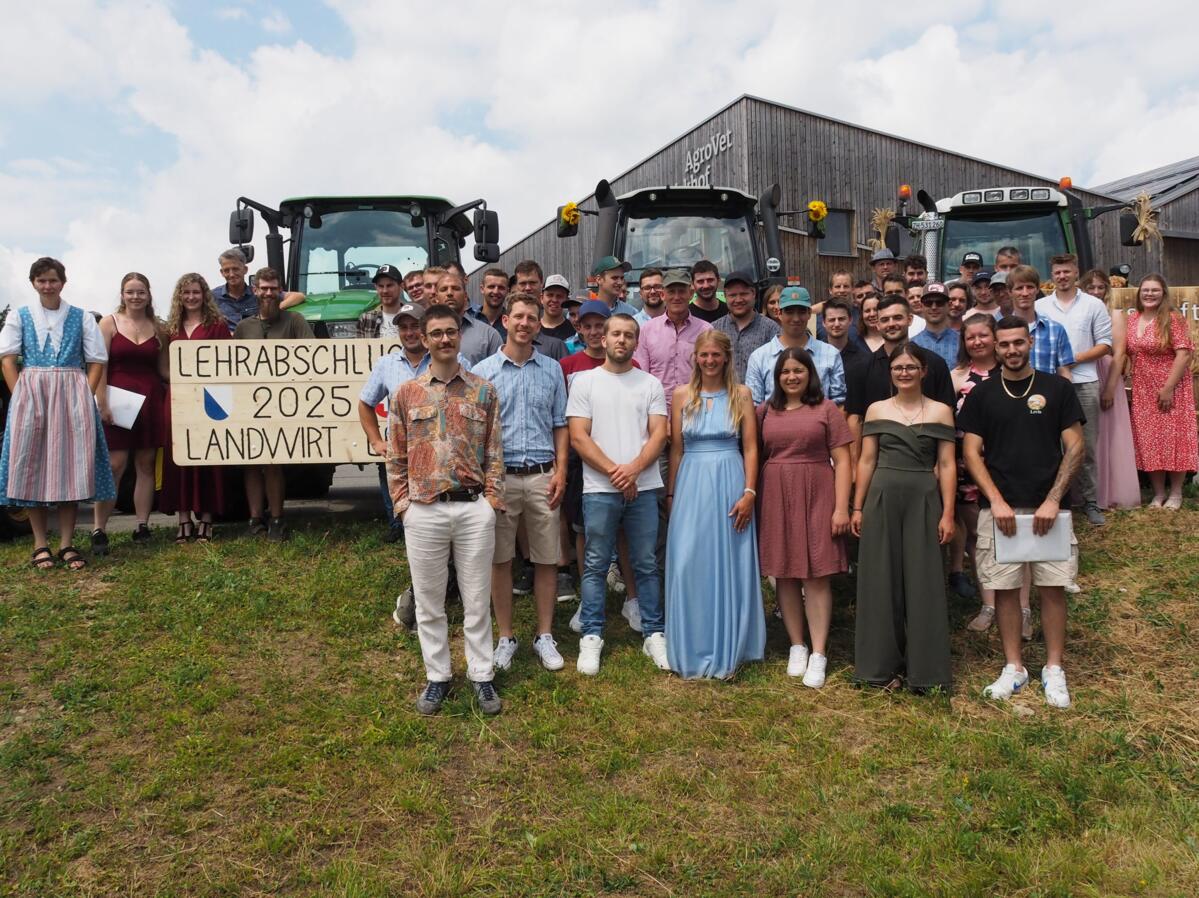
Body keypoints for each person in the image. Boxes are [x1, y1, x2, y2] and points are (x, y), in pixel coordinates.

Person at [960, 317, 1085, 709]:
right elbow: (970, 452)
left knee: (1051, 589)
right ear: (994, 348)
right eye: (1004, 345)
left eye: (1018, 343)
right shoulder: (982, 395)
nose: (1011, 350)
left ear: (1029, 342)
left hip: (1050, 509)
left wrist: (1053, 498)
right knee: (1005, 591)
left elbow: (1076, 446)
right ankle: (1014, 666)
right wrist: (995, 500)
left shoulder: (1057, 389)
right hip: (1000, 511)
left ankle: (1053, 668)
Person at [387, 303, 505, 716]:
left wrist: (491, 501)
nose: (444, 339)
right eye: (435, 332)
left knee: (476, 598)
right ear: (424, 336)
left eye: (450, 331)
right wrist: (403, 505)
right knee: (429, 601)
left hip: (473, 509)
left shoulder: (483, 390)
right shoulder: (406, 394)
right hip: (424, 511)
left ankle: (482, 675)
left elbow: (494, 451)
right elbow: (395, 455)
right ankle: (437, 676)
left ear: (459, 334)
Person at [567, 313, 670, 676]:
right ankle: (592, 636)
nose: (621, 340)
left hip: (643, 488)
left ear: (636, 341)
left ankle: (654, 633)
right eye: (615, 334)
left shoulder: (650, 384)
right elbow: (579, 436)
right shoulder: (585, 382)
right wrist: (617, 472)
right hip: (599, 488)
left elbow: (659, 434)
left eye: (629, 335)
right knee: (595, 564)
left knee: (645, 564)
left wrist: (633, 470)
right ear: (603, 339)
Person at [472, 293, 570, 672]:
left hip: (543, 476)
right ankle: (506, 637)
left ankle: (544, 635)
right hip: (501, 479)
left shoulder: (551, 369)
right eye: (519, 317)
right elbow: (477, 431)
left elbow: (561, 424)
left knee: (547, 559)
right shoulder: (485, 373)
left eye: (532, 317)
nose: (526, 323)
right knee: (501, 561)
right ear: (507, 322)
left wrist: (561, 470)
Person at [852, 342, 956, 691]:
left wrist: (949, 513)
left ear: (923, 371)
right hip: (881, 496)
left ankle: (926, 672)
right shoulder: (876, 409)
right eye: (898, 367)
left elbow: (946, 464)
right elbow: (866, 460)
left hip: (923, 498)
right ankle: (878, 667)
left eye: (911, 367)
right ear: (890, 372)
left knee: (923, 579)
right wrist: (857, 506)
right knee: (880, 579)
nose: (904, 372)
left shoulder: (941, 411)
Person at [0, 257, 115, 571]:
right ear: (34, 283)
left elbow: (95, 360)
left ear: (62, 283)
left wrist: (84, 393)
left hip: (70, 393)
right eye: (41, 280)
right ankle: (40, 544)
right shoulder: (19, 316)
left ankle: (66, 543)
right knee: (32, 467)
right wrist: (20, 395)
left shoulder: (80, 317)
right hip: (32, 393)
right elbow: (8, 359)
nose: (47, 285)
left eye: (52, 280)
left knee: (70, 468)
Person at [663, 331, 763, 679]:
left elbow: (750, 447)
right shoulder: (680, 396)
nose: (709, 360)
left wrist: (749, 492)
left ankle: (732, 643)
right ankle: (691, 640)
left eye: (715, 355)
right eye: (703, 355)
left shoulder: (742, 395)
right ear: (696, 357)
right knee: (688, 560)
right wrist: (672, 494)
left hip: (730, 479)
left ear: (726, 357)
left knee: (729, 559)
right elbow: (675, 448)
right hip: (691, 481)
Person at [757, 348, 853, 687]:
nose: (792, 377)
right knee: (784, 572)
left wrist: (841, 507)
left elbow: (843, 462)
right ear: (777, 377)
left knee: (816, 574)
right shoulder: (766, 411)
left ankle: (819, 651)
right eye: (785, 372)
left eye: (798, 370)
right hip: (775, 493)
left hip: (817, 492)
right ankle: (797, 644)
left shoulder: (826, 409)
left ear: (810, 373)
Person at [560, 301, 644, 632]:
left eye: (600, 326)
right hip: (585, 463)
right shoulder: (568, 365)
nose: (595, 332)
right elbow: (565, 420)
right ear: (579, 329)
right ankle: (589, 599)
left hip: (624, 461)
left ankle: (633, 598)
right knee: (585, 533)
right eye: (588, 326)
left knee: (624, 530)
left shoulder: (632, 365)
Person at [234, 267, 314, 540]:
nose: (268, 293)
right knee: (251, 462)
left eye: (273, 288)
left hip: (285, 404)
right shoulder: (244, 327)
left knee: (273, 461)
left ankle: (277, 519)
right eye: (263, 288)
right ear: (254, 290)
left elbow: (313, 359)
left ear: (280, 290)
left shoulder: (295, 320)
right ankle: (255, 518)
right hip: (251, 404)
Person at [91, 272, 168, 551]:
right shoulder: (108, 323)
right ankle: (99, 528)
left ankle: (142, 525)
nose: (135, 297)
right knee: (114, 466)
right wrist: (101, 402)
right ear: (122, 294)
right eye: (130, 292)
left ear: (148, 295)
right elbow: (100, 365)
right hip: (116, 401)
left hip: (150, 401)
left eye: (141, 292)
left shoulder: (159, 328)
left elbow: (164, 369)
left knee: (146, 465)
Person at [1036, 253, 1114, 526]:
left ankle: (1091, 501)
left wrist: (1071, 358)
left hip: (1084, 382)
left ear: (1075, 272)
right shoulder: (1041, 306)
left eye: (1067, 271)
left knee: (1086, 445)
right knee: (1048, 446)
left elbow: (1105, 344)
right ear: (1052, 274)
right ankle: (1057, 500)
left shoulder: (1092, 304)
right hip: (1049, 384)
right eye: (1057, 272)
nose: (1062, 276)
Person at [158, 274, 230, 544]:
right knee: (177, 459)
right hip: (177, 399)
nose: (191, 297)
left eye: (196, 292)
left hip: (209, 399)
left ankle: (207, 520)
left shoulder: (217, 326)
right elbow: (163, 366)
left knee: (207, 457)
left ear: (204, 295)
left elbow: (225, 364)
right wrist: (181, 382)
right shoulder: (171, 328)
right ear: (179, 295)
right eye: (186, 292)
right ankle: (184, 519)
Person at [845, 295, 956, 450]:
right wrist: (855, 466)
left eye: (897, 318)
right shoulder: (860, 368)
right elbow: (855, 418)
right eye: (885, 320)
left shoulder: (935, 363)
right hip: (875, 460)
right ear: (877, 324)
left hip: (926, 456)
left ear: (910, 319)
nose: (891, 324)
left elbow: (947, 411)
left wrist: (942, 461)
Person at [1124, 275, 1196, 508]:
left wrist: (1168, 388)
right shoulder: (1133, 319)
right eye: (1145, 290)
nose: (1149, 294)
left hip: (1171, 386)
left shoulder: (1172, 319)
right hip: (1143, 388)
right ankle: (1157, 493)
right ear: (1139, 293)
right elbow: (1130, 352)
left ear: (1164, 293)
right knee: (1149, 439)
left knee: (1175, 437)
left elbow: (1184, 354)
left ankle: (1175, 493)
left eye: (1155, 290)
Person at [1087, 269, 1141, 510]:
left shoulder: (1115, 314)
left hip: (1108, 374)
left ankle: (1113, 492)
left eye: (1100, 287)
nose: (1096, 292)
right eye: (1091, 287)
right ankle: (1088, 492)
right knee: (1090, 435)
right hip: (1085, 373)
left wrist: (1109, 388)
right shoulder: (1080, 312)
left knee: (1111, 433)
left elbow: (1119, 354)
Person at [745, 287, 845, 405]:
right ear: (779, 313)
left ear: (809, 313)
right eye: (789, 311)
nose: (796, 318)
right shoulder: (759, 358)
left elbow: (840, 403)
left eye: (801, 311)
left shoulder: (831, 354)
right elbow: (754, 406)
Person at [634, 270, 713, 411]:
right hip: (657, 410)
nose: (677, 297)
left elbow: (712, 374)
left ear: (690, 294)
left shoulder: (706, 330)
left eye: (681, 291)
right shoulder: (647, 330)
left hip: (696, 408)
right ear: (663, 295)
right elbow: (642, 376)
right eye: (671, 291)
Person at [712, 271, 780, 383]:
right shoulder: (715, 329)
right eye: (732, 295)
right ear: (725, 297)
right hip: (724, 398)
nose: (738, 300)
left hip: (759, 398)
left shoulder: (771, 329)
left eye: (743, 294)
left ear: (753, 293)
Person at [1008, 265, 1073, 379]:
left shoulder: (1055, 330)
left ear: (1037, 289)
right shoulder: (1000, 330)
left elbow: (1064, 371)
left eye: (1030, 287)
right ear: (1010, 292)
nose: (1025, 293)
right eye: (1019, 288)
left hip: (1048, 394)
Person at [432, 270, 502, 365]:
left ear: (465, 296)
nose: (449, 293)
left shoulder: (489, 335)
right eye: (444, 289)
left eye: (455, 288)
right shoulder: (425, 334)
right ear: (436, 297)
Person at [911, 283, 960, 368]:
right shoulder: (912, 344)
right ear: (922, 306)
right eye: (928, 303)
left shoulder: (961, 341)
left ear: (949, 305)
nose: (934, 307)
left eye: (939, 302)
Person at [355, 265, 406, 338]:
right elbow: (359, 348)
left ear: (401, 286)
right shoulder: (366, 319)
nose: (385, 291)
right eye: (381, 286)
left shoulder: (412, 317)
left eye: (389, 285)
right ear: (376, 288)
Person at [213, 249, 258, 332]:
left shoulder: (258, 294)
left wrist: (279, 307)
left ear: (245, 269)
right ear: (222, 272)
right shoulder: (212, 297)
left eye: (235, 269)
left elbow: (289, 296)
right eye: (226, 270)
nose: (232, 274)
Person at [821, 298, 867, 368]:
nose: (836, 324)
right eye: (832, 320)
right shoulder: (813, 355)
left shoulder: (863, 358)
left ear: (850, 320)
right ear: (824, 323)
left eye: (841, 319)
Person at [539, 274, 577, 341]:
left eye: (559, 296)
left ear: (566, 300)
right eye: (550, 295)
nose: (554, 300)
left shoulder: (574, 330)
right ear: (542, 298)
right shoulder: (532, 329)